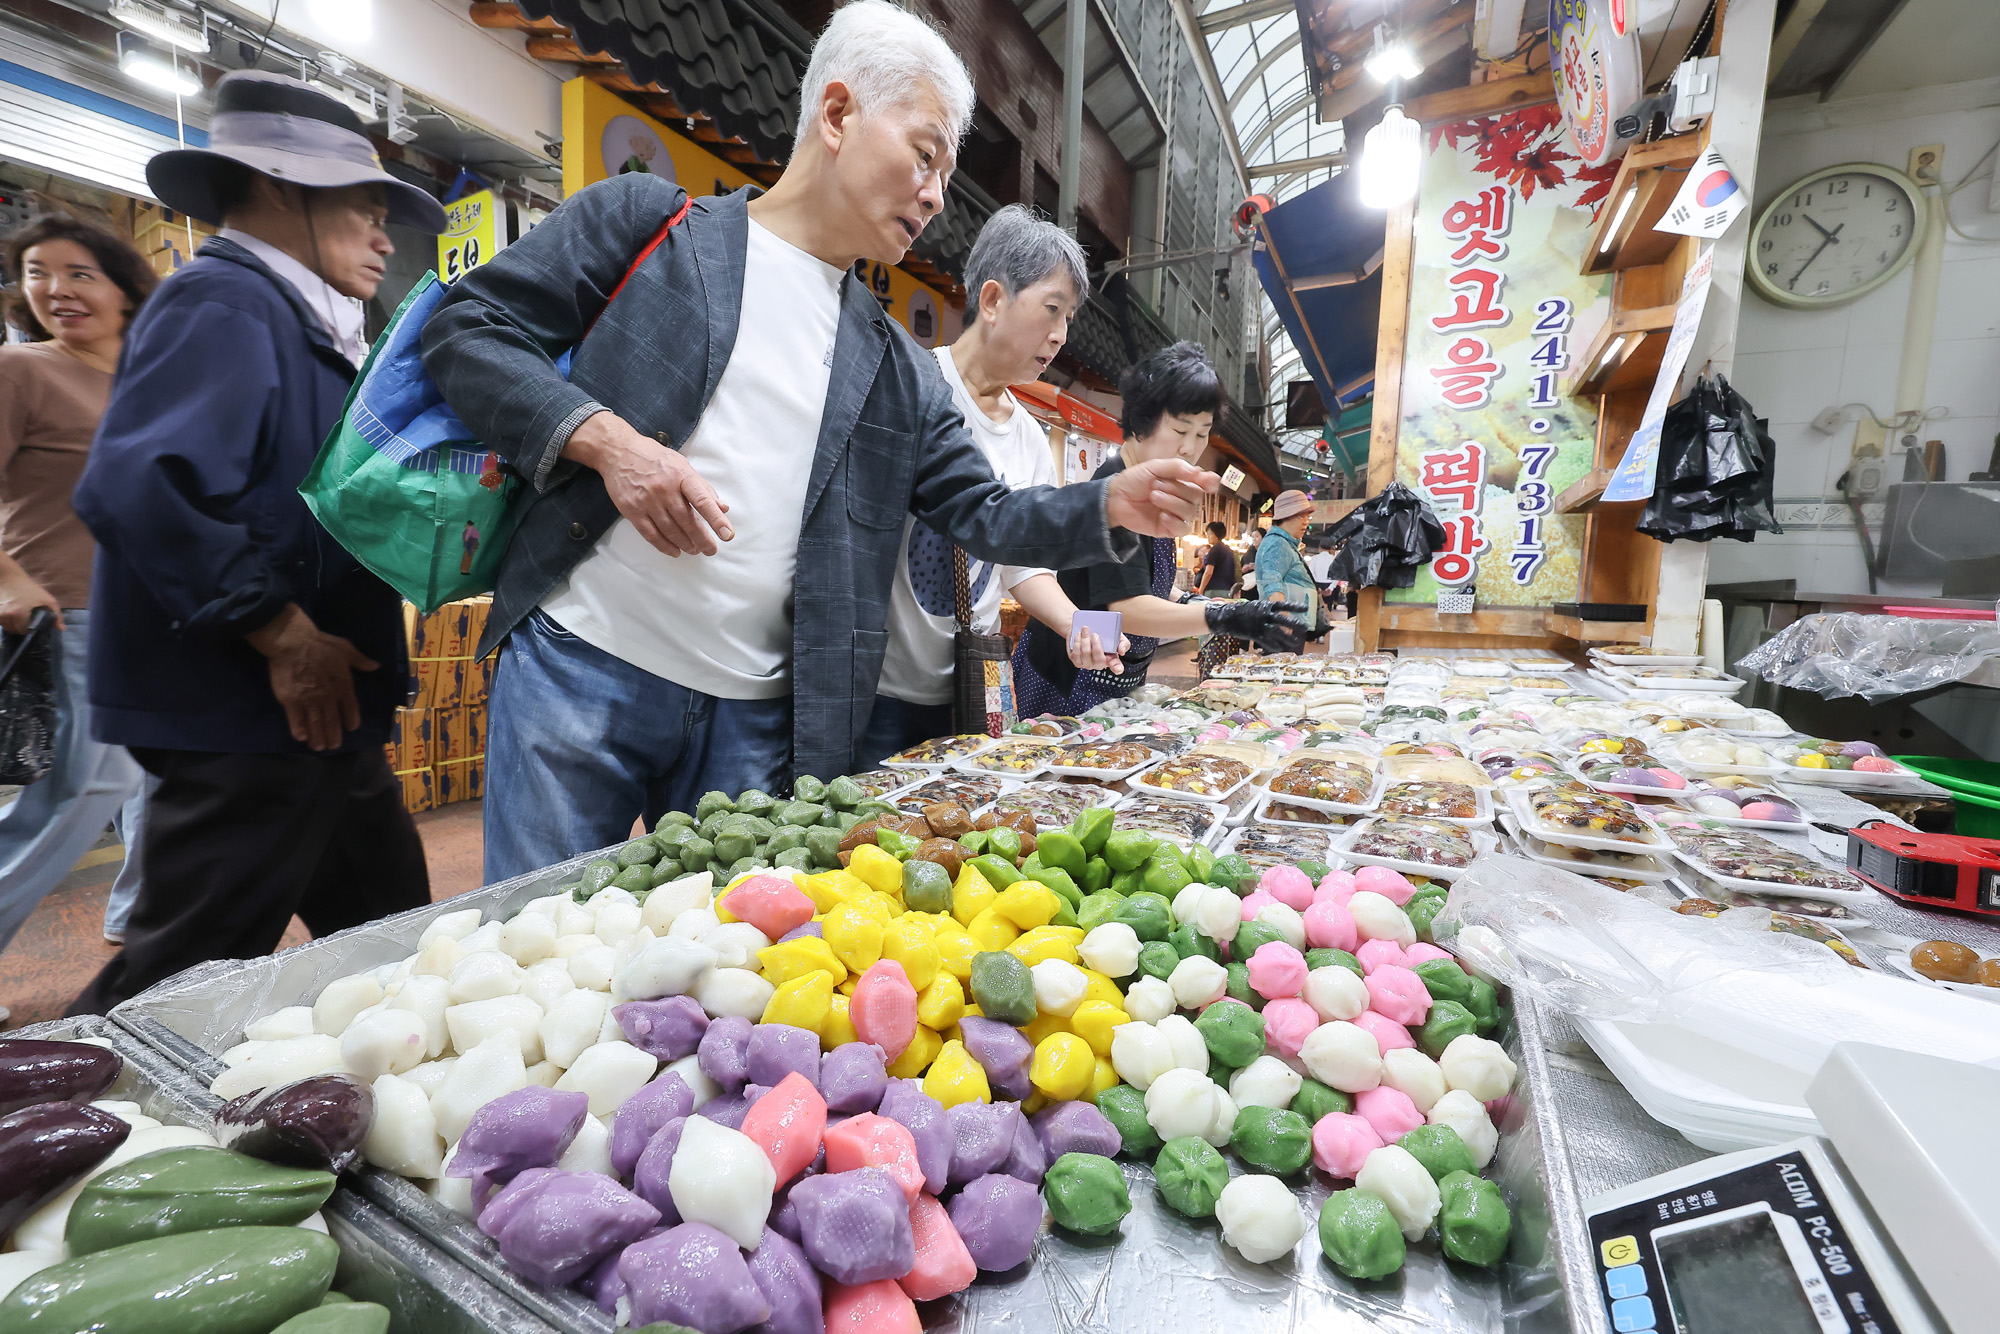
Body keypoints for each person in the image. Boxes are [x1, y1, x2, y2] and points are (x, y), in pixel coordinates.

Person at [422, 0, 1216, 881]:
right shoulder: (653, 227)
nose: (936, 195)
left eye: (946, 172)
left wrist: (1106, 502)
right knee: (539, 938)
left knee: (727, 956)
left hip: (755, 719)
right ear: (837, 114)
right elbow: (469, 331)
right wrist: (607, 442)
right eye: (925, 155)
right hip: (580, 667)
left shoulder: (893, 362)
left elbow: (983, 511)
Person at [67, 71, 447, 1015]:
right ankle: (63, 1099)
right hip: (249, 715)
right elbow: (142, 483)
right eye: (366, 211)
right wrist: (278, 631)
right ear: (281, 188)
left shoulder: (299, 321)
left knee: (394, 946)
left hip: (320, 720)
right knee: (176, 983)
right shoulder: (224, 303)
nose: (383, 237)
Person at [864, 205, 1128, 760]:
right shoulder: (914, 386)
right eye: (1051, 309)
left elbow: (1023, 565)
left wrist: (1077, 626)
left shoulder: (1030, 437)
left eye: (1068, 318)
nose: (1060, 336)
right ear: (991, 301)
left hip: (977, 679)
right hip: (879, 687)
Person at [0, 213, 156, 985]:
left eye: (78, 273)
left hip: (157, 614)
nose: (55, 289)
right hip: (70, 609)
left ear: (124, 288)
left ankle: (143, 917)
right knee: (87, 786)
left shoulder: (149, 380)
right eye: (38, 273)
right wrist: (6, 576)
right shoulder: (21, 369)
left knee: (166, 776)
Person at [1012, 342, 1304, 714]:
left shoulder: (1154, 489)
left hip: (1115, 674)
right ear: (1141, 423)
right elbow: (1128, 607)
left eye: (1202, 433)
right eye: (1180, 429)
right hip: (1068, 678)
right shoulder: (1115, 487)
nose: (1190, 448)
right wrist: (1222, 618)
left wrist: (1192, 601)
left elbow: (1145, 582)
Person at [1256, 489, 1326, 651]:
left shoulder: (1284, 543)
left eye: (1308, 517)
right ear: (1285, 516)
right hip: (1285, 626)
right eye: (1301, 516)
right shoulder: (1278, 544)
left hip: (1290, 624)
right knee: (1282, 665)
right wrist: (1283, 617)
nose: (1306, 522)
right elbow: (1272, 580)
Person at [1193, 520, 1236, 597]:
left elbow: (1208, 572)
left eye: (1210, 534)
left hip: (1214, 591)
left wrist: (1201, 589)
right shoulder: (1228, 550)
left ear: (1217, 534)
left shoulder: (1215, 550)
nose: (1208, 536)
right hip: (1227, 590)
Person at [1238, 525, 1263, 597]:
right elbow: (1240, 571)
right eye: (1252, 537)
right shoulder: (1247, 554)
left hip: (1261, 587)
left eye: (1257, 536)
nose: (1254, 539)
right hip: (1247, 587)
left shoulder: (1267, 553)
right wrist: (1244, 569)